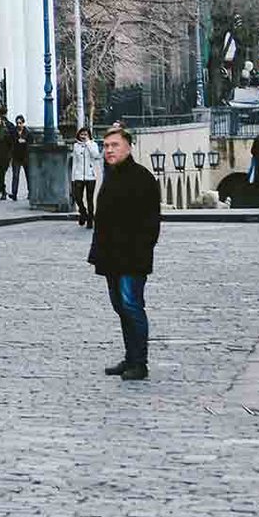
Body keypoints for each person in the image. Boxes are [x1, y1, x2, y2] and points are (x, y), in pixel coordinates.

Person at [89, 124, 161, 381]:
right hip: (111, 257)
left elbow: (151, 223)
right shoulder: (111, 175)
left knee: (132, 306)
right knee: (121, 307)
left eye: (114, 145)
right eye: (106, 146)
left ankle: (139, 362)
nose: (109, 150)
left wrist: (139, 251)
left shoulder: (140, 177)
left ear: (128, 147)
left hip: (132, 258)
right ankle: (130, 357)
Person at [68, 125, 102, 228]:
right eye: (82, 134)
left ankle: (90, 219)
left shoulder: (93, 144)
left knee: (89, 198)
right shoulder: (76, 146)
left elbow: (96, 155)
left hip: (90, 175)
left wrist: (88, 143)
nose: (83, 136)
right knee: (77, 197)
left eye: (85, 134)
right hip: (79, 175)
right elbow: (74, 162)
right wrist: (73, 177)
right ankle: (83, 212)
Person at [8, 114, 30, 201]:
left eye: (20, 123)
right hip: (16, 156)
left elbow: (31, 143)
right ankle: (14, 193)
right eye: (17, 123)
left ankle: (30, 192)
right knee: (15, 176)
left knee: (28, 176)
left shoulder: (27, 132)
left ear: (23, 123)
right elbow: (11, 143)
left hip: (25, 156)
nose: (18, 125)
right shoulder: (13, 132)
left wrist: (25, 142)